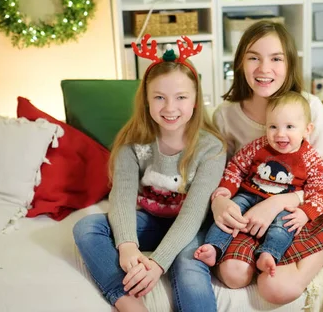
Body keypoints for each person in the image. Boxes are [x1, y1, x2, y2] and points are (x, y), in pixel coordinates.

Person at [171, 21, 323, 308]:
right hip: (251, 206)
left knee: (275, 288)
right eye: (254, 57)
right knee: (232, 274)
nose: (264, 69)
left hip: (299, 207)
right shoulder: (226, 116)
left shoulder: (308, 106)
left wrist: (281, 203)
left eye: (276, 58)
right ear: (240, 62)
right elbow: (224, 173)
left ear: (290, 64)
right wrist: (219, 201)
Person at [73, 35, 226, 312]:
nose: (170, 108)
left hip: (192, 229)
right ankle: (128, 302)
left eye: (181, 97)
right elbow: (121, 198)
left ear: (195, 101)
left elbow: (193, 214)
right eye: (159, 97)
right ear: (146, 101)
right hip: (151, 223)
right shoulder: (132, 143)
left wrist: (157, 263)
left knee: (188, 267)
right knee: (87, 227)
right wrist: (128, 246)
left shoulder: (211, 148)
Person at [194, 92, 323, 277]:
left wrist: (306, 213)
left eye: (290, 127)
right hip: (249, 194)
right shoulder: (258, 147)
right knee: (230, 213)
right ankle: (213, 247)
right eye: (273, 127)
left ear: (307, 130)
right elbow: (236, 166)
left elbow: (322, 188)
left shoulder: (309, 158)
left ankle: (269, 253)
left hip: (283, 205)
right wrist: (226, 189)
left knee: (285, 225)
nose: (280, 134)